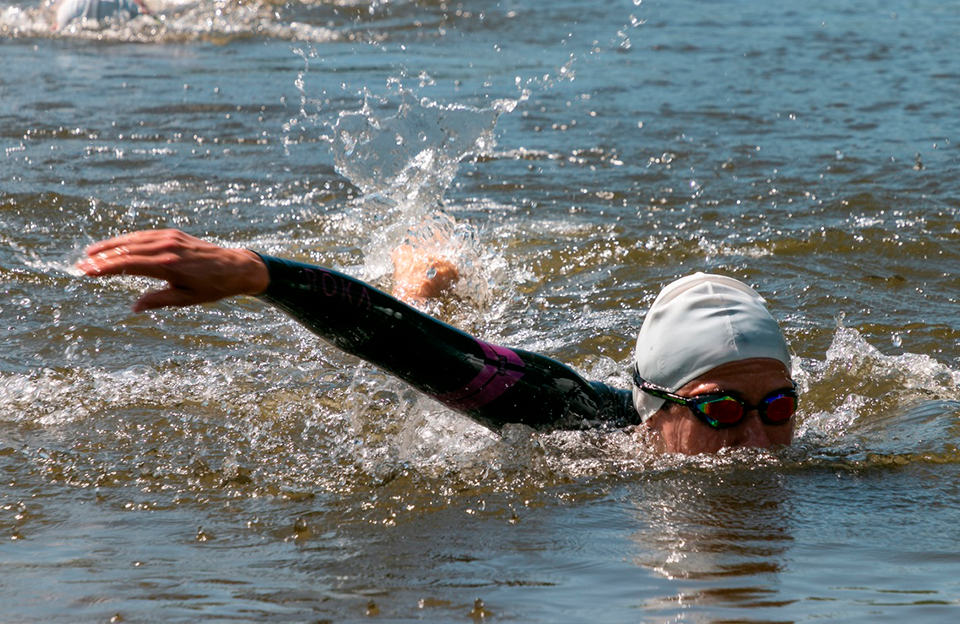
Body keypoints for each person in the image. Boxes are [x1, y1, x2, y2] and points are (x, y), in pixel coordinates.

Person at [76, 229, 798, 455]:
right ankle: (416, 282)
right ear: (654, 408)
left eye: (778, 407)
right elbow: (418, 352)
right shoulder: (582, 420)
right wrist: (262, 277)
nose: (761, 441)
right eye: (722, 413)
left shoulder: (817, 460)